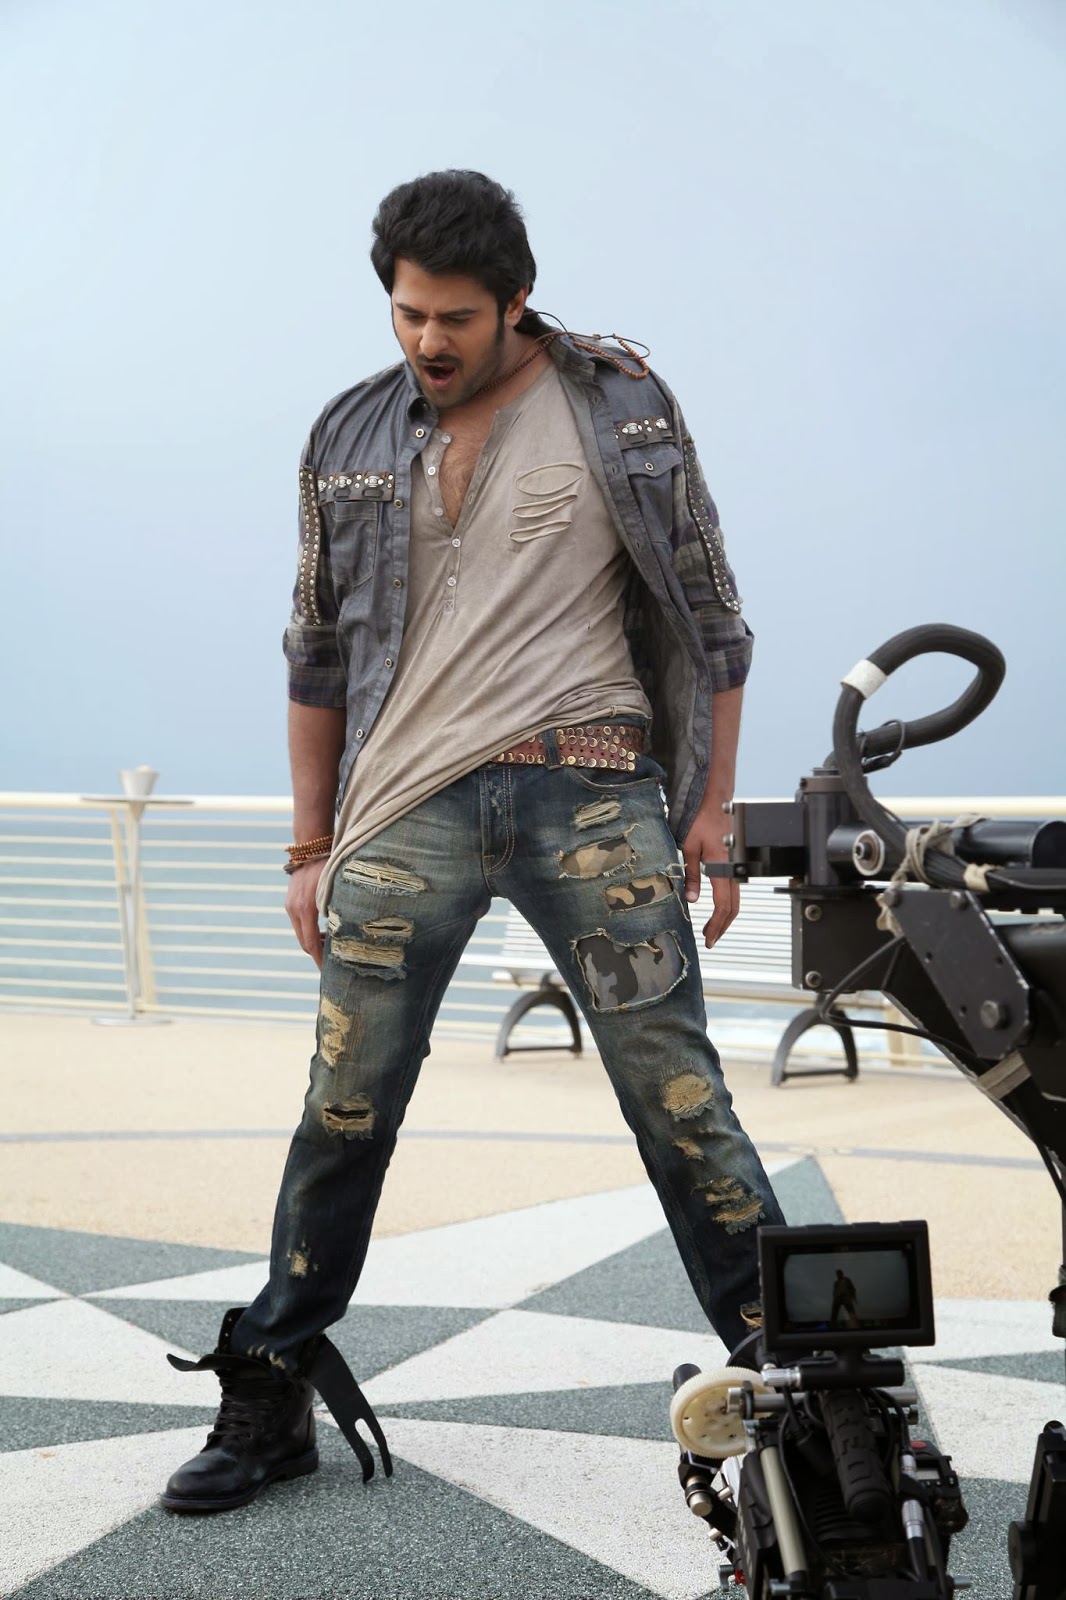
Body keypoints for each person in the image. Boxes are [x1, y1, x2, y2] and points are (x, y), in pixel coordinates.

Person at [162, 169, 786, 1513]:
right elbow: (317, 651)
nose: (427, 342)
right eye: (407, 315)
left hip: (592, 788)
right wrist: (307, 847)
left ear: (517, 302)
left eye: (454, 317)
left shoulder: (624, 406)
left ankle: (793, 1381)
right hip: (405, 808)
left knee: (680, 1100)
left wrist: (713, 811)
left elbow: (713, 618)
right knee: (344, 1108)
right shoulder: (349, 431)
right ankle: (271, 1386)